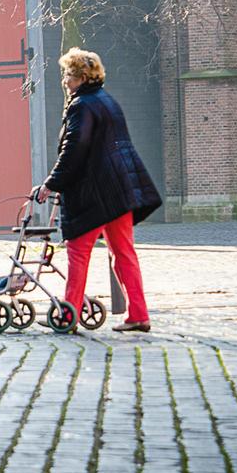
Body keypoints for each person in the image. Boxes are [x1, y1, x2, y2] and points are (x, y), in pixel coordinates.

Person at [35, 47, 161, 332]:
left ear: (80, 77)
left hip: (96, 193)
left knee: (78, 251)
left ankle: (70, 315)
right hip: (120, 192)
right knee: (124, 253)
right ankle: (139, 314)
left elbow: (74, 149)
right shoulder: (108, 101)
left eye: (68, 75)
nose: (65, 81)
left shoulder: (81, 106)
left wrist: (51, 183)